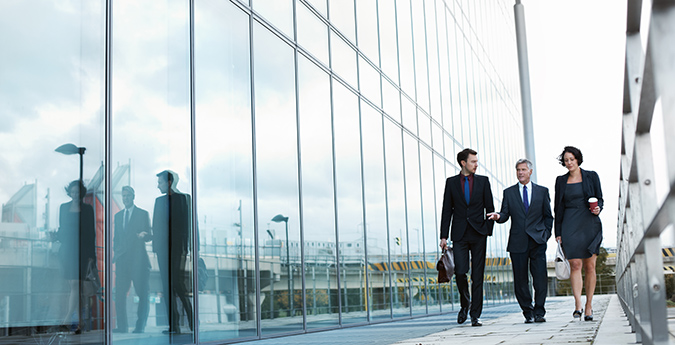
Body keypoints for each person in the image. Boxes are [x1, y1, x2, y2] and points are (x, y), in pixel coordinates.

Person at [487, 159, 553, 323]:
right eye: (518, 170)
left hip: (537, 241)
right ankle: (527, 312)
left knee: (540, 278)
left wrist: (545, 235)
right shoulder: (509, 193)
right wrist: (498, 217)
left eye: (523, 169)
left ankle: (539, 312)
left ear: (530, 172)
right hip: (518, 241)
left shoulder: (542, 191)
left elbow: (548, 217)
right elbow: (505, 214)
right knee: (520, 280)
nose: (520, 172)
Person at [439, 148, 494, 327]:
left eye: (476, 162)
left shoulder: (484, 182)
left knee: (477, 276)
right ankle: (465, 304)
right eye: (473, 162)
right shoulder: (452, 183)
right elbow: (447, 209)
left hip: (479, 233)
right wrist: (443, 236)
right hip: (460, 234)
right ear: (463, 163)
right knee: (460, 272)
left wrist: (487, 230)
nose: (476, 164)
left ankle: (475, 315)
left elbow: (490, 208)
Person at [554, 146, 603, 321]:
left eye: (572, 159)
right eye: (566, 160)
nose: (569, 163)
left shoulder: (592, 176)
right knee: (575, 264)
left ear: (577, 159)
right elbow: (558, 207)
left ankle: (589, 306)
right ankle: (578, 305)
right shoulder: (560, 180)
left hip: (589, 223)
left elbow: (600, 199)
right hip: (569, 223)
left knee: (590, 266)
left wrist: (598, 209)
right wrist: (558, 231)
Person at [152, 170, 194, 334]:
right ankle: (173, 326)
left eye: (160, 182)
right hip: (162, 249)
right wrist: (155, 245)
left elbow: (186, 224)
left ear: (169, 182)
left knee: (177, 283)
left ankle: (191, 320)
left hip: (176, 248)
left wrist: (186, 247)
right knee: (166, 286)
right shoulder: (158, 201)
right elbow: (156, 225)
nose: (158, 186)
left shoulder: (182, 198)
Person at [53, 180, 96, 334]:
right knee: (75, 287)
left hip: (83, 252)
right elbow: (62, 229)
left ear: (82, 193)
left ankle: (67, 319)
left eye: (77, 192)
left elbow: (91, 234)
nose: (75, 194)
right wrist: (55, 236)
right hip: (67, 251)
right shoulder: (64, 208)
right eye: (72, 192)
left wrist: (92, 256)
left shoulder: (88, 209)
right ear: (69, 192)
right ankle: (81, 322)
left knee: (75, 285)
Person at [113, 186, 152, 334]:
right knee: (119, 295)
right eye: (123, 196)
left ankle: (140, 326)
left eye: (128, 196)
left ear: (133, 196)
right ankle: (122, 327)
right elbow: (117, 238)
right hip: (122, 262)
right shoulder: (118, 216)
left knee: (142, 294)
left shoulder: (142, 214)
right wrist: (116, 253)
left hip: (138, 261)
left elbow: (149, 234)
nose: (125, 198)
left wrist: (145, 234)